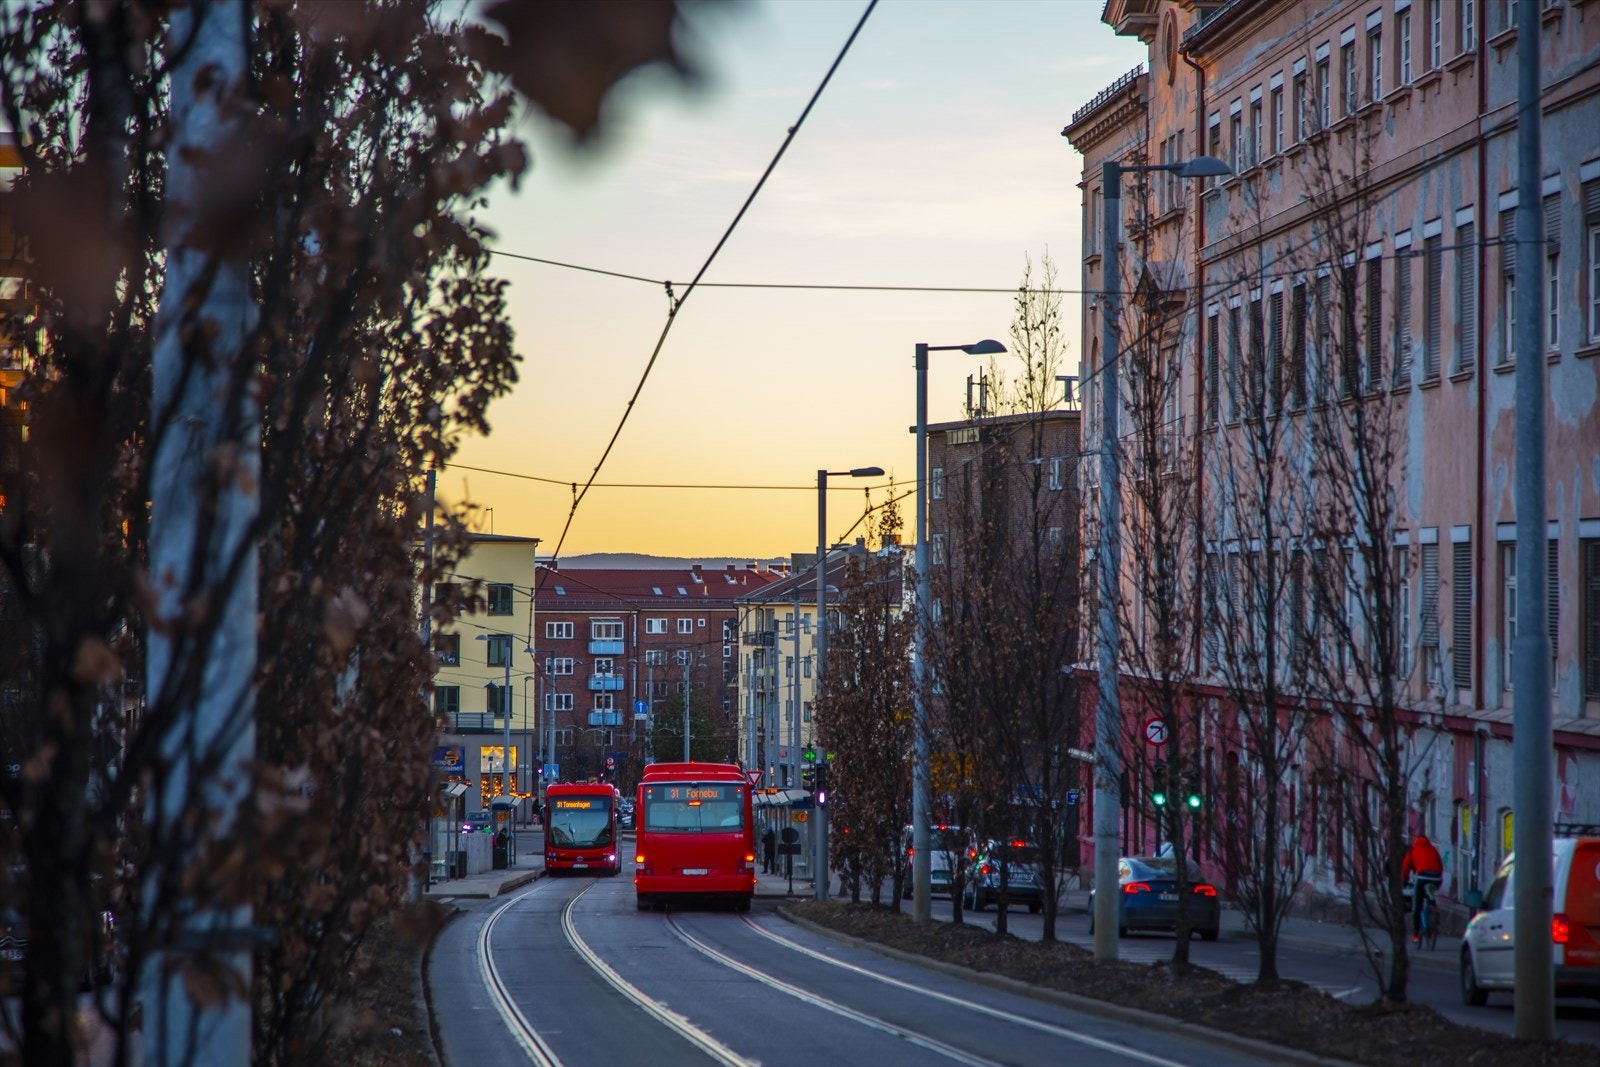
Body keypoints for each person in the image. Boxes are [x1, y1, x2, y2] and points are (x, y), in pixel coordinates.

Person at [1400, 833, 1444, 943]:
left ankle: (1416, 935)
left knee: (1417, 905)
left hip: (1422, 877)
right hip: (1436, 878)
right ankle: (1433, 907)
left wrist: (1404, 882)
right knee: (1429, 893)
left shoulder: (1413, 850)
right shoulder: (1433, 849)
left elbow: (1405, 868)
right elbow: (1440, 866)